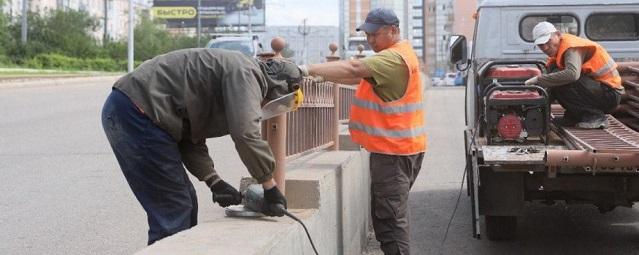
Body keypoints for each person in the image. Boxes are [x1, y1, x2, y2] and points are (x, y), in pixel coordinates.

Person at [101, 48, 302, 245]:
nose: (268, 106)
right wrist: (269, 186)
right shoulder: (247, 73)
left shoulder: (238, 72)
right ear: (277, 85)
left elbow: (189, 137)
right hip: (137, 112)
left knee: (184, 202)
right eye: (278, 102)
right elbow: (245, 134)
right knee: (175, 207)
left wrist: (215, 182)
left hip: (134, 111)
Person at [299, 8, 425, 255]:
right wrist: (324, 78)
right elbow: (360, 78)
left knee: (390, 222)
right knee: (389, 217)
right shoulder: (398, 55)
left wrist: (306, 69)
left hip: (394, 153)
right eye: (367, 35)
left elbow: (355, 69)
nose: (369, 40)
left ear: (393, 30)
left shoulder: (393, 58)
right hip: (398, 151)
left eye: (374, 34)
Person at [525, 21, 623, 129]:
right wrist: (535, 103)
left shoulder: (571, 48)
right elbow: (552, 85)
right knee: (555, 75)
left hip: (609, 94)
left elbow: (572, 74)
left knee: (562, 77)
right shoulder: (557, 53)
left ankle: (595, 117)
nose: (545, 48)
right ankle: (575, 116)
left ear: (558, 34)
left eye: (548, 41)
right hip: (597, 92)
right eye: (540, 45)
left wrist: (539, 80)